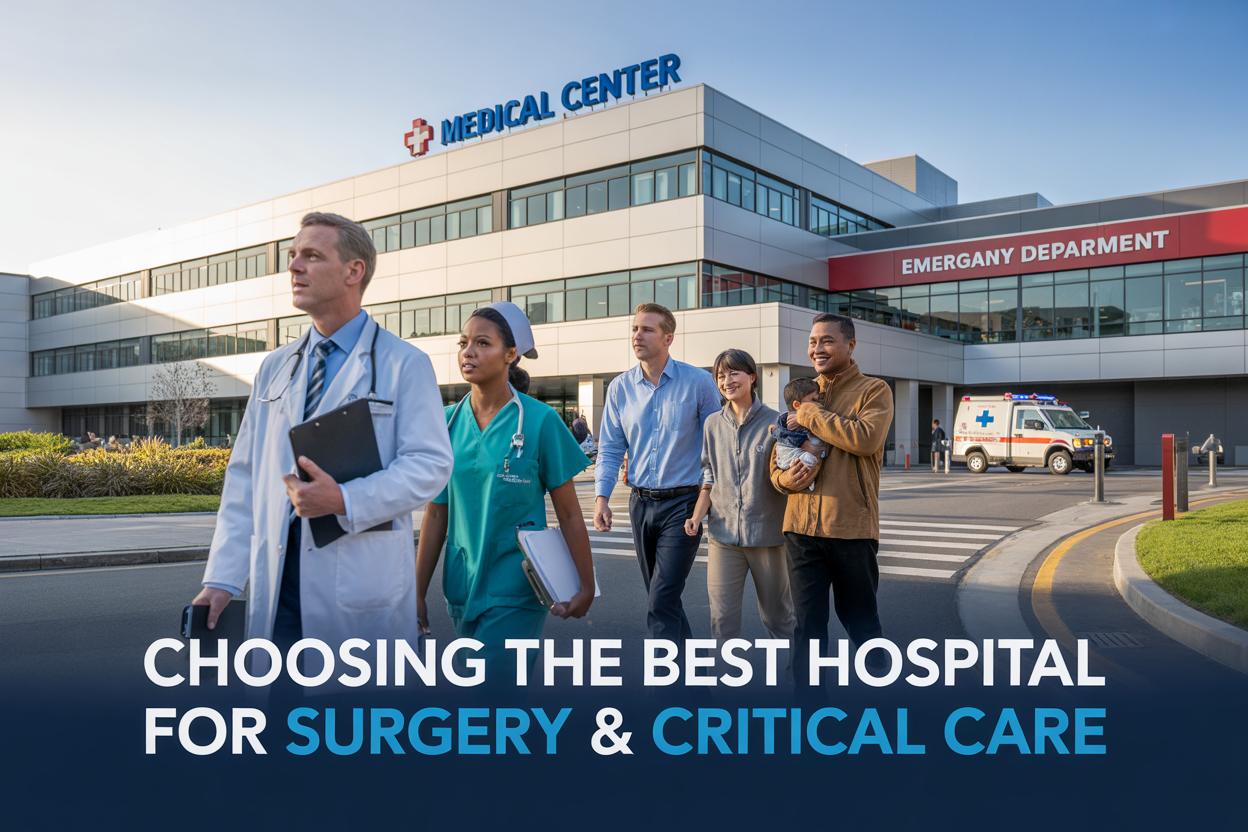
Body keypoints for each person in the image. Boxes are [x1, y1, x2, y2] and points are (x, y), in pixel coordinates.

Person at [192, 212, 454, 678]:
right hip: (278, 583)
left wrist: (346, 500)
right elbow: (246, 478)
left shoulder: (403, 363)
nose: (294, 267)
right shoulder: (276, 366)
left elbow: (430, 465)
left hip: (356, 584)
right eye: (292, 256)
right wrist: (222, 578)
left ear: (354, 272)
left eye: (311, 256)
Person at [416, 302, 594, 683]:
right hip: (462, 583)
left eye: (483, 343)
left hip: (518, 585)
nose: (469, 351)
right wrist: (416, 593)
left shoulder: (540, 420)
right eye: (464, 342)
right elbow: (435, 513)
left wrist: (586, 584)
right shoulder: (445, 423)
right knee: (480, 696)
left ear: (510, 355)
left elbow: (569, 514)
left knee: (492, 695)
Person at [770, 312, 894, 700]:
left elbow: (865, 439)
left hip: (850, 528)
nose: (817, 349)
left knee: (861, 623)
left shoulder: (874, 391)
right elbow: (777, 457)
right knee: (807, 626)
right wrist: (782, 479)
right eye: (812, 342)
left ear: (850, 345)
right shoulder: (803, 390)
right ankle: (808, 714)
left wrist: (809, 413)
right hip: (800, 530)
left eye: (826, 340)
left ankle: (887, 701)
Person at [594, 303, 720, 641]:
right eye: (635, 329)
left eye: (647, 329)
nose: (637, 335)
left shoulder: (699, 382)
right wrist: (601, 498)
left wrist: (707, 499)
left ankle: (664, 691)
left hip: (683, 505)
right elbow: (609, 447)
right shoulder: (620, 388)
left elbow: (716, 444)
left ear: (668, 338)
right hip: (641, 505)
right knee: (664, 600)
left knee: (660, 602)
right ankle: (693, 685)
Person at [684, 349, 795, 647]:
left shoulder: (776, 422)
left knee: (778, 619)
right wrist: (696, 517)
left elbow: (787, 472)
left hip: (768, 536)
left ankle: (800, 683)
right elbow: (707, 477)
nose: (727, 381)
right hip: (723, 537)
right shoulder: (711, 425)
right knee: (722, 622)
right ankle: (724, 689)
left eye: (733, 373)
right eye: (721, 376)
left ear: (752, 376)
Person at [773, 377, 826, 491]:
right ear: (797, 405)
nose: (819, 404)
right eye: (814, 401)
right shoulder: (794, 421)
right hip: (792, 457)